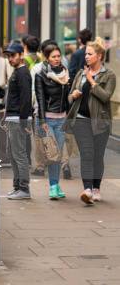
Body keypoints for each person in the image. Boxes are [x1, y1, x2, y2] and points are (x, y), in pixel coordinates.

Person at [65, 38, 116, 205]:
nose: (86, 57)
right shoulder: (80, 74)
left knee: (97, 156)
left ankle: (96, 188)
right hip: (81, 120)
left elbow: (105, 96)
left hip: (100, 122)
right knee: (86, 154)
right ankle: (87, 189)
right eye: (85, 53)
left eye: (89, 54)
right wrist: (74, 95)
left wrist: (92, 81)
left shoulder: (109, 75)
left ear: (99, 56)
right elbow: (70, 97)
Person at [34, 44, 70, 199]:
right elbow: (40, 99)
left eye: (58, 56)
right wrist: (42, 120)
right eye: (53, 56)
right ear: (47, 58)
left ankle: (55, 184)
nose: (56, 59)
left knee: (58, 154)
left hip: (62, 119)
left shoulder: (66, 74)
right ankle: (53, 187)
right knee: (52, 154)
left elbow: (67, 98)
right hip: (47, 119)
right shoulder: (41, 75)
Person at [4, 42, 33, 200]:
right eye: (8, 56)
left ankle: (24, 189)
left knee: (19, 154)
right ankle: (17, 187)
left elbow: (26, 98)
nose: (10, 59)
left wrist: (23, 121)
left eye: (12, 55)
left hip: (18, 119)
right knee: (13, 154)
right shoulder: (18, 71)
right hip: (13, 118)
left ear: (21, 55)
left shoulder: (22, 72)